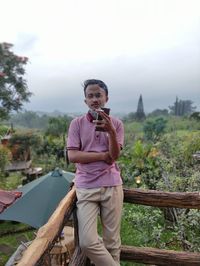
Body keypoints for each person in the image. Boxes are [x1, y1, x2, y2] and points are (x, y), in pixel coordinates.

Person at [66, 79, 124, 266]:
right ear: (85, 101)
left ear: (106, 98)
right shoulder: (77, 123)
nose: (94, 99)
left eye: (98, 95)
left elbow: (114, 157)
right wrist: (102, 156)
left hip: (111, 184)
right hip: (86, 186)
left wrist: (111, 132)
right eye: (90, 96)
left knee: (112, 242)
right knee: (88, 242)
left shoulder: (117, 124)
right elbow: (73, 155)